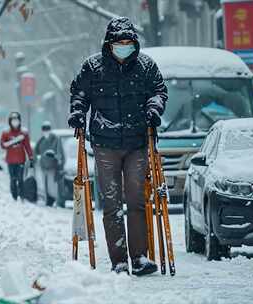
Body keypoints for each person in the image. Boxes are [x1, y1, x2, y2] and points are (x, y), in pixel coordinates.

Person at [68, 17, 168, 276]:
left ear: (134, 43)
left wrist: (154, 108)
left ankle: (140, 257)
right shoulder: (93, 67)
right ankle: (119, 260)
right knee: (111, 204)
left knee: (136, 201)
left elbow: (159, 90)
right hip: (105, 144)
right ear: (109, 44)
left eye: (128, 43)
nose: (124, 47)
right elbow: (79, 92)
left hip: (137, 142)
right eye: (119, 43)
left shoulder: (146, 66)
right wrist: (78, 113)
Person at [0, 112, 33, 201]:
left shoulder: (24, 133)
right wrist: (13, 142)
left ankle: (22, 195)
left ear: (19, 121)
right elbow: (2, 145)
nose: (15, 122)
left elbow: (27, 146)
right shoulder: (6, 133)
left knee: (20, 178)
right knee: (13, 179)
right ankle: (14, 196)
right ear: (10, 122)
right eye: (13, 120)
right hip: (10, 161)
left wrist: (31, 157)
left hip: (21, 160)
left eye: (16, 120)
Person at [34, 121, 65, 207]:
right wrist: (35, 160)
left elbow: (60, 153)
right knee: (45, 185)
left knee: (52, 186)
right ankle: (48, 200)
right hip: (43, 166)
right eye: (44, 129)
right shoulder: (41, 140)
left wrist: (57, 158)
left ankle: (54, 200)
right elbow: (36, 152)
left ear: (50, 130)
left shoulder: (56, 139)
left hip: (53, 166)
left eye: (47, 129)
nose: (45, 131)